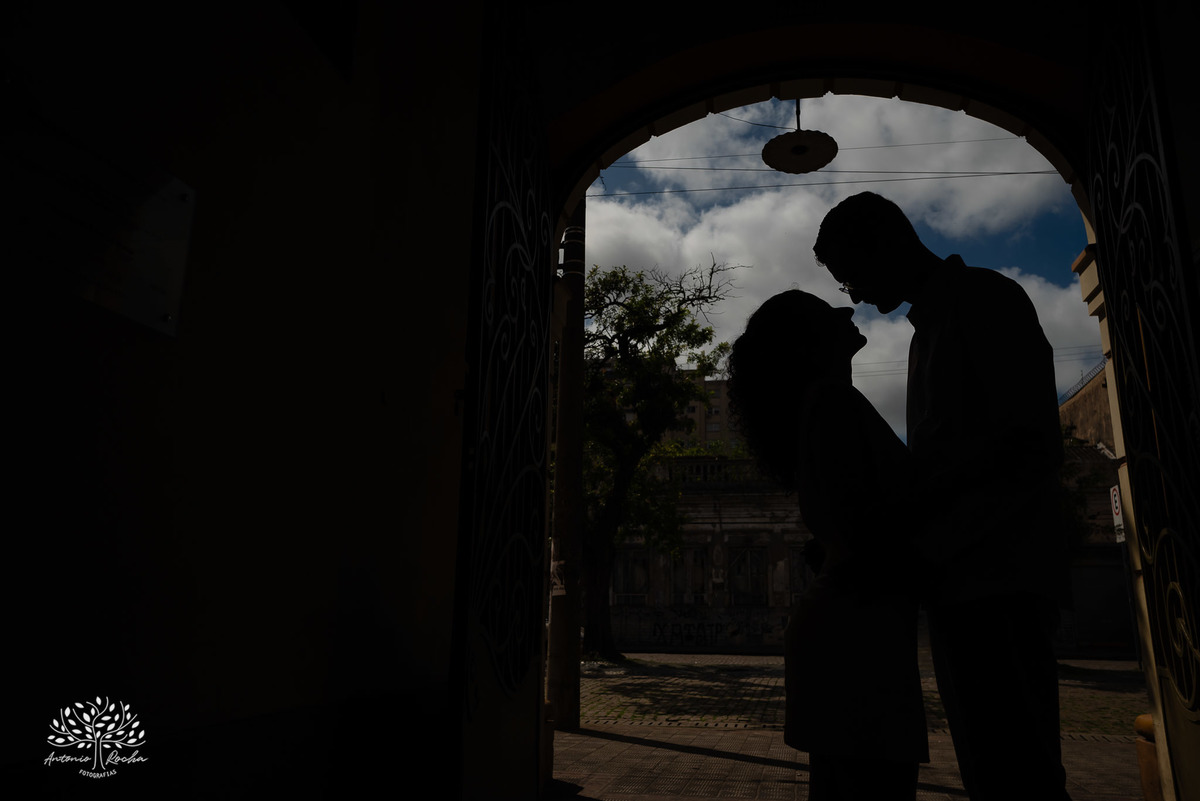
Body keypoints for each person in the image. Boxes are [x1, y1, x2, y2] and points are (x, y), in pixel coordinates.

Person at [814, 191, 1071, 801]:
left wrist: (921, 544)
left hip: (997, 577)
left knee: (1018, 770)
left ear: (888, 242)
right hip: (960, 580)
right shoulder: (927, 327)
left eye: (853, 276)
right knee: (993, 767)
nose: (856, 297)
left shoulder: (983, 301)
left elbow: (1025, 450)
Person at [727, 289, 928, 801]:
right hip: (858, 628)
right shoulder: (831, 402)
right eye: (826, 311)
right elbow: (868, 524)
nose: (845, 311)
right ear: (807, 343)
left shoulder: (820, 405)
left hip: (853, 623)